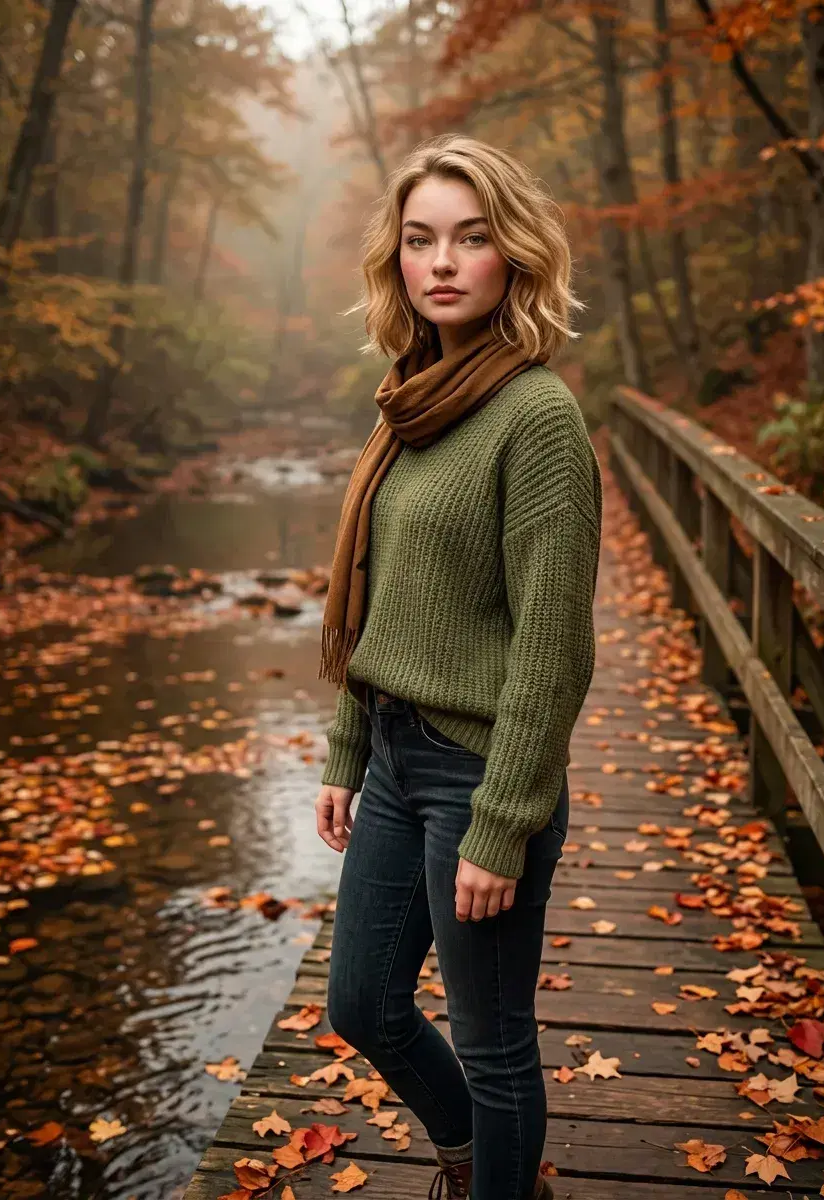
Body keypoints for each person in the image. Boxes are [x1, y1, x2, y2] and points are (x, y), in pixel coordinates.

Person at [314, 133, 602, 1200]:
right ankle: (476, 1160)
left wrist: (502, 819)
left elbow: (552, 643)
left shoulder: (537, 418)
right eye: (420, 238)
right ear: (395, 259)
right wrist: (347, 747)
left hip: (478, 771)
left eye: (470, 239)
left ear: (512, 258)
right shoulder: (409, 400)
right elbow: (381, 599)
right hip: (393, 756)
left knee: (493, 1045)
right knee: (361, 1005)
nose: (440, 261)